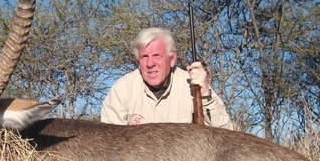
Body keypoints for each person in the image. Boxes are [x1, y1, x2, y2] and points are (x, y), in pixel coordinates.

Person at [100, 27, 233, 129]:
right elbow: (108, 141)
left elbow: (227, 133)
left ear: (172, 59)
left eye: (157, 55)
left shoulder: (192, 83)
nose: (150, 64)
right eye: (144, 57)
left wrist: (204, 93)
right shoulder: (122, 88)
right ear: (138, 62)